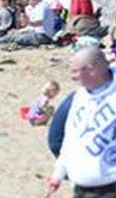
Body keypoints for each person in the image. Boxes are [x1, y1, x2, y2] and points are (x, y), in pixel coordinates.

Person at [47, 47, 116, 196]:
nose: (72, 77)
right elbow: (71, 137)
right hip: (81, 187)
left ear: (91, 70)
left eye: (75, 71)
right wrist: (58, 174)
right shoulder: (80, 96)